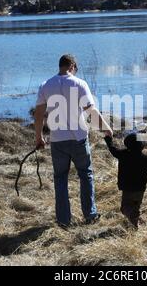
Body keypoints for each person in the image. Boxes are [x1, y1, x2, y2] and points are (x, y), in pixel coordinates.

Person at [34, 54, 113, 227]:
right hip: (78, 138)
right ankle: (90, 215)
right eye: (76, 69)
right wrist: (106, 128)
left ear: (60, 66)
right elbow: (91, 111)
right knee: (85, 174)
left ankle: (63, 220)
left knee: (60, 178)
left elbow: (38, 114)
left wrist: (38, 137)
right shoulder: (79, 83)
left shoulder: (46, 85)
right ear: (72, 67)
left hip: (57, 140)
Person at [104, 133, 147, 228]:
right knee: (136, 206)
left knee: (124, 209)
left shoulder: (123, 154)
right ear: (142, 146)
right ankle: (137, 222)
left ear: (127, 144)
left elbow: (113, 150)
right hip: (140, 189)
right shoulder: (145, 159)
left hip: (127, 188)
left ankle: (135, 222)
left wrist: (108, 139)